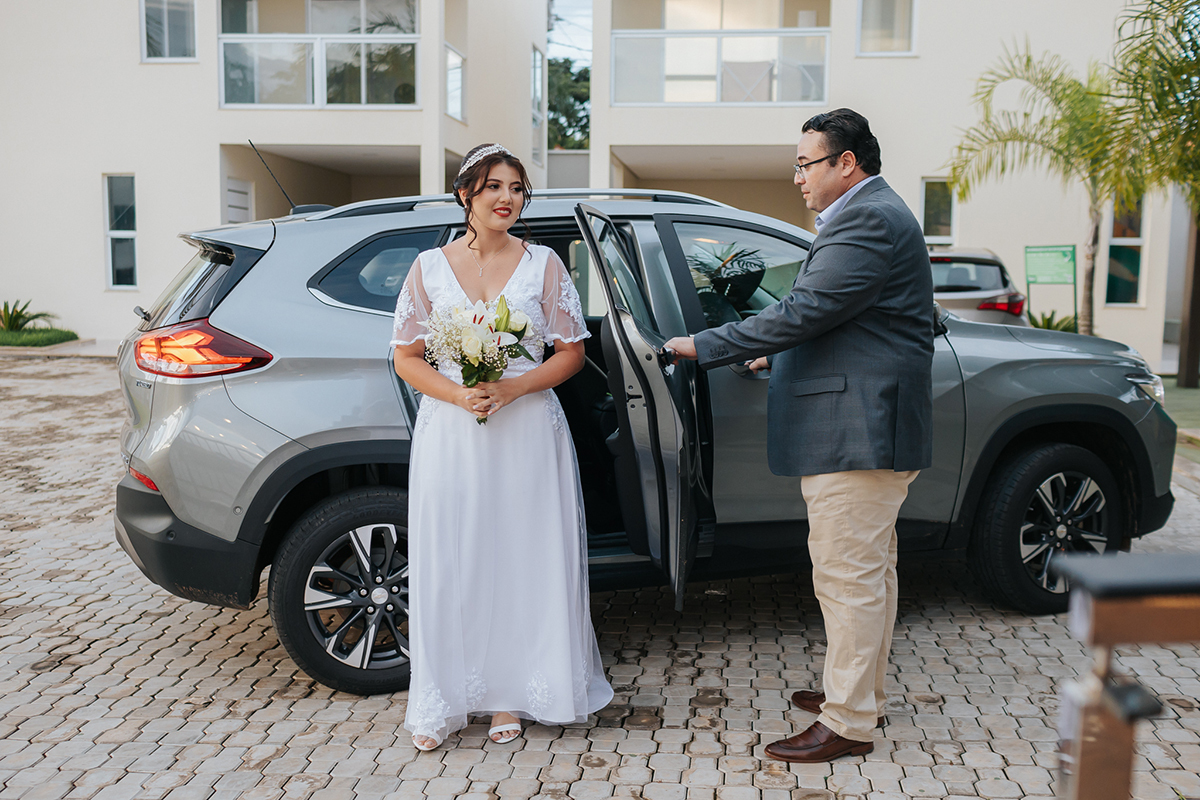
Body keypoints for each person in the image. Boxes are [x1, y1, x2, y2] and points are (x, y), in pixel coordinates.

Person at [663, 109, 934, 763]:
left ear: (847, 162)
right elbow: (845, 319)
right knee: (871, 572)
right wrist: (773, 356)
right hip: (870, 425)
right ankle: (857, 694)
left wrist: (704, 344)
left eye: (805, 163)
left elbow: (806, 310)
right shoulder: (873, 213)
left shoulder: (867, 217)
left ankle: (847, 724)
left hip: (859, 430)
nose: (797, 177)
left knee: (849, 577)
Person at [391, 143, 613, 750]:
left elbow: (571, 352)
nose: (507, 199)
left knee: (522, 556)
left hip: (526, 430)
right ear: (466, 195)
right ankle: (446, 696)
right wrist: (459, 396)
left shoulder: (543, 264)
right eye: (493, 186)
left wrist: (513, 387)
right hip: (453, 433)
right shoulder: (427, 268)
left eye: (516, 188)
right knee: (454, 558)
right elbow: (406, 357)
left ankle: (511, 697)